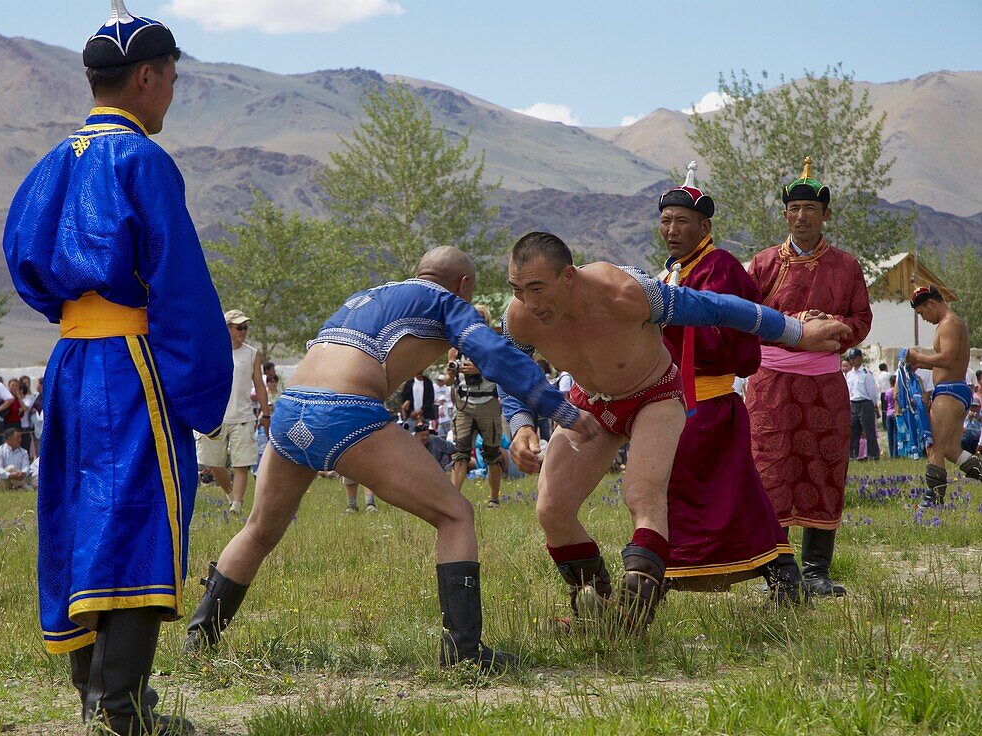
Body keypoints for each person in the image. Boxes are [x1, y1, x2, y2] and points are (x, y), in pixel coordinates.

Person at [182, 246, 601, 672]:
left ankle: (199, 639)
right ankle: (464, 652)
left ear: (417, 272)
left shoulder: (365, 297)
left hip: (292, 410)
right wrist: (560, 408)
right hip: (345, 411)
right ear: (464, 286)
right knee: (455, 515)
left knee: (258, 531)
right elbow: (492, 355)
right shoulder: (447, 303)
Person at [1, 3, 231, 732]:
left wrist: (80, 318)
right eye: (169, 78)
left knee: (80, 514)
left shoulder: (51, 163)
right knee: (137, 515)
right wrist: (200, 385)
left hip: (71, 360)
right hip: (131, 361)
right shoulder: (141, 160)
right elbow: (179, 284)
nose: (171, 92)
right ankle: (123, 707)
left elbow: (24, 261)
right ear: (144, 78)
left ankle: (96, 697)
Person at [500, 231, 849, 633]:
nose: (531, 303)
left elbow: (718, 308)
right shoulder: (519, 318)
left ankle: (632, 621)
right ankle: (593, 606)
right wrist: (521, 424)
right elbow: (509, 369)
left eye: (538, 288)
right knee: (551, 508)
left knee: (643, 496)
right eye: (519, 289)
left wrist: (797, 333)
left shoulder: (624, 293)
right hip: (590, 403)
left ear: (568, 276)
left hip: (654, 395)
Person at [654, 165, 802, 603]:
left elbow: (730, 341)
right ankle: (784, 574)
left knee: (680, 487)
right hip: (678, 401)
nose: (672, 229)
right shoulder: (668, 275)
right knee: (734, 491)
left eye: (682, 221)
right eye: (666, 221)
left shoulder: (718, 268)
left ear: (704, 226)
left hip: (709, 403)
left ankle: (654, 576)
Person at [745, 158, 872, 598]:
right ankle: (778, 572)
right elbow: (745, 317)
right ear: (785, 215)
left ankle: (817, 569)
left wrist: (832, 325)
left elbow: (861, 319)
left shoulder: (846, 267)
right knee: (770, 471)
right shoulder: (761, 265)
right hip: (771, 385)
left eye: (810, 210)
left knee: (824, 469)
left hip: (824, 386)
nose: (802, 217)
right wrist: (795, 322)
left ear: (826, 216)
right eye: (794, 208)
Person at [906, 285, 982, 506]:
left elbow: (948, 359)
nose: (924, 318)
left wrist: (918, 357)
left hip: (949, 392)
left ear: (931, 304)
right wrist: (920, 364)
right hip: (955, 389)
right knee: (950, 449)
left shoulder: (948, 324)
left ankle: (933, 499)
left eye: (922, 313)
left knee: (935, 447)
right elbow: (949, 362)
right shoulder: (951, 323)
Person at [196, 309, 269, 516]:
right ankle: (230, 494)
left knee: (242, 463)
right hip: (215, 416)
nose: (243, 331)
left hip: (244, 416)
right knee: (213, 462)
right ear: (226, 328)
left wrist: (266, 413)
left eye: (245, 327)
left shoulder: (252, 354)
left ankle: (237, 505)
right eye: (239, 327)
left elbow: (260, 386)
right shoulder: (210, 352)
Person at [447, 305, 506, 508]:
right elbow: (448, 380)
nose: (477, 319)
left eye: (481, 317)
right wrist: (451, 370)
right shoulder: (456, 345)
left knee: (491, 453)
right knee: (460, 452)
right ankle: (453, 501)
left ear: (487, 320)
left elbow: (502, 370)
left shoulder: (494, 343)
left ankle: (494, 498)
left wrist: (480, 369)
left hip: (488, 403)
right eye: (474, 316)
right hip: (464, 404)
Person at [845, 348, 881, 461]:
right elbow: (848, 390)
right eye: (851, 359)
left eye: (854, 358)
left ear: (860, 358)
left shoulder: (866, 373)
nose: (852, 361)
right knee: (853, 431)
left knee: (869, 431)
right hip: (853, 403)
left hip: (865, 403)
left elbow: (872, 391)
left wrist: (874, 404)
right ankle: (852, 455)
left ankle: (873, 455)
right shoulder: (849, 375)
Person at [883, 374, 899, 458]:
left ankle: (891, 453)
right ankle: (895, 453)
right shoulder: (897, 390)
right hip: (895, 413)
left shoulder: (887, 391)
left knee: (889, 435)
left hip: (888, 413)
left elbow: (886, 401)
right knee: (895, 434)